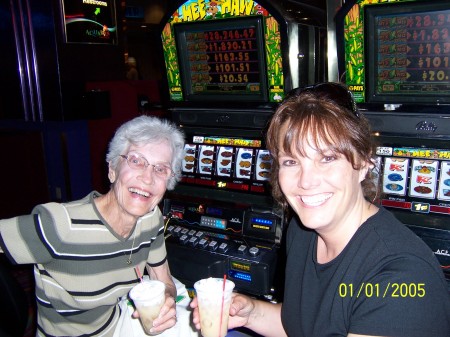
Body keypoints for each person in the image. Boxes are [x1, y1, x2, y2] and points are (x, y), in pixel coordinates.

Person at [191, 82, 450, 336]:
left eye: (327, 158)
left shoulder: (400, 279)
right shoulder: (304, 231)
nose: (306, 181)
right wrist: (252, 313)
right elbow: (301, 325)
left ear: (363, 163)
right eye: (291, 161)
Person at [0, 115, 185, 336]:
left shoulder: (151, 218)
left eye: (160, 169)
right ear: (113, 169)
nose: (147, 178)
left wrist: (166, 300)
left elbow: (163, 280)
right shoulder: (59, 225)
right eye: (136, 160)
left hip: (117, 326)